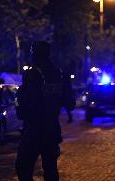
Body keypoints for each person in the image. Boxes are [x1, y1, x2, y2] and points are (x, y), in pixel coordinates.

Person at [15, 41, 75, 181]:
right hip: (52, 129)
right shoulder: (61, 75)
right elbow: (70, 103)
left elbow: (26, 104)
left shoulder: (32, 74)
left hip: (34, 129)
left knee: (23, 166)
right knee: (50, 169)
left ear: (35, 54)